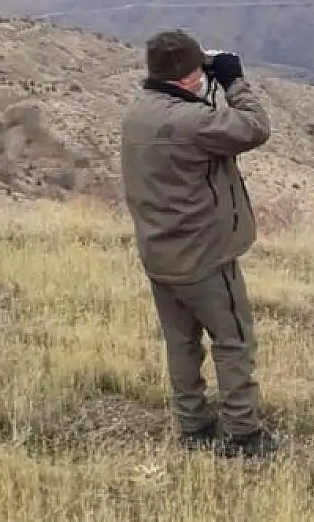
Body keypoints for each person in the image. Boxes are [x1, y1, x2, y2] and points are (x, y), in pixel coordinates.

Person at [120, 29, 276, 458]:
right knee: (233, 340)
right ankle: (243, 434)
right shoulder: (191, 121)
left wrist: (199, 83)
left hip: (160, 253)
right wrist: (232, 81)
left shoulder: (140, 110)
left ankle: (193, 426)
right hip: (204, 257)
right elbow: (255, 127)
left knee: (182, 342)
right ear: (189, 77)